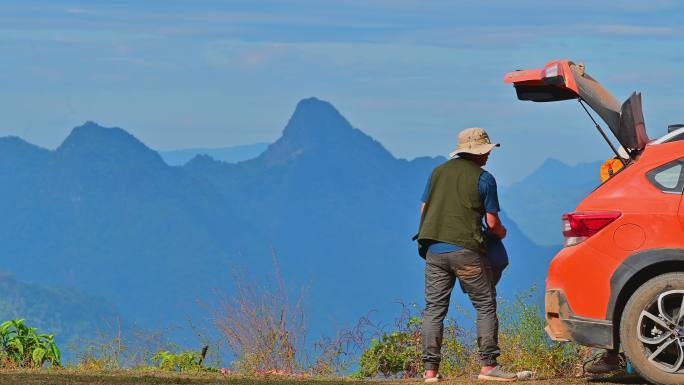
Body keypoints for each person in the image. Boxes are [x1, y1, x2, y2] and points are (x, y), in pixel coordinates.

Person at [417, 127, 517, 382]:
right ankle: (488, 366)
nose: (488, 156)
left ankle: (430, 372)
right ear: (478, 153)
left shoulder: (437, 172)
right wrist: (501, 234)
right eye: (485, 151)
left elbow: (424, 211)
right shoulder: (484, 179)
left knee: (434, 309)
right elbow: (493, 224)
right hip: (465, 250)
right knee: (484, 304)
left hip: (433, 249)